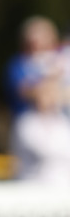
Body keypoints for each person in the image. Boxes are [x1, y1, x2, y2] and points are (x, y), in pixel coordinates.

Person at [5, 16, 70, 185]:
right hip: (32, 126)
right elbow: (27, 92)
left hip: (59, 123)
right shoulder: (18, 64)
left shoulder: (61, 59)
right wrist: (52, 81)